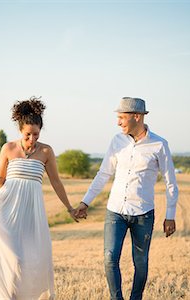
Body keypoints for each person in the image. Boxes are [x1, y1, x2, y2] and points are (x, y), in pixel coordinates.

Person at [0, 97, 79, 300]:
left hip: (32, 215)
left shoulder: (46, 151)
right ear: (20, 131)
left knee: (34, 262)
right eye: (28, 134)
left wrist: (70, 208)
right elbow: (1, 179)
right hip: (8, 210)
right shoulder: (8, 149)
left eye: (36, 134)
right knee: (15, 260)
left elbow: (56, 182)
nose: (32, 139)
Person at [75, 97, 179, 300]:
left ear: (136, 117)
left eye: (122, 117)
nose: (118, 122)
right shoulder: (117, 141)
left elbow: (170, 183)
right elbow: (104, 173)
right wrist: (85, 202)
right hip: (115, 211)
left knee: (140, 262)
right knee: (109, 258)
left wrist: (170, 215)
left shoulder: (159, 144)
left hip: (143, 214)